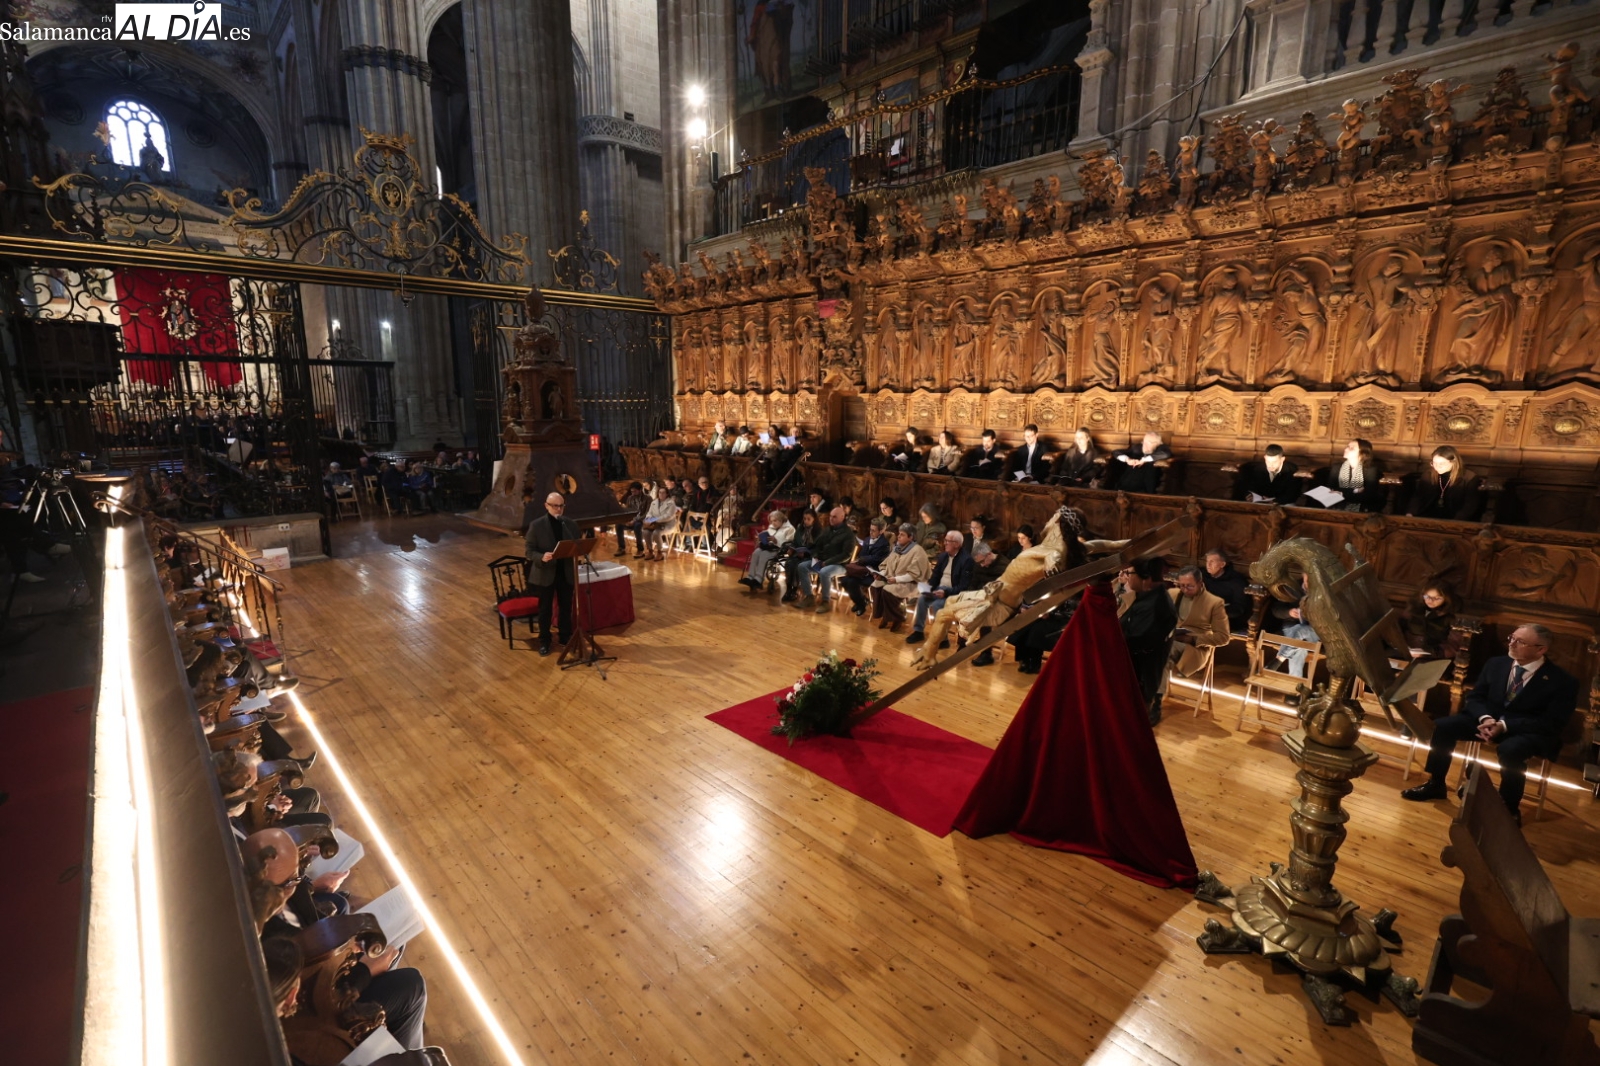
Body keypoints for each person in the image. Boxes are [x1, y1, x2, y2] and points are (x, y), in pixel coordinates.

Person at [1401, 624, 1578, 823]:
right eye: (1511, 638)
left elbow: (1551, 722)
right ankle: (1436, 784)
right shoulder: (1496, 663)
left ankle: (1509, 808)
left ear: (1541, 649)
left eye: (1520, 642)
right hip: (1488, 720)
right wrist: (1485, 718)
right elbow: (1476, 697)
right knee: (1443, 727)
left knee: (1511, 750)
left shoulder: (1563, 681)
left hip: (1526, 730)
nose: (1511, 644)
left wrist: (1504, 725)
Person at [912, 506, 1085, 670]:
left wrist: (1051, 566)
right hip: (993, 592)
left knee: (943, 614)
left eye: (1053, 517)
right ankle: (935, 650)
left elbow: (1054, 569)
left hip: (1000, 603)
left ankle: (930, 653)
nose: (1048, 521)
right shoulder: (1048, 547)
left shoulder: (1054, 552)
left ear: (1058, 522)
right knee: (949, 602)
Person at [1117, 557, 1178, 724]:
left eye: (1130, 573)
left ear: (1147, 578)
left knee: (1130, 725)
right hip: (1132, 674)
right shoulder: (1145, 596)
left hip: (1139, 679)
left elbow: (1134, 641)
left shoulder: (1155, 605)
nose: (1127, 577)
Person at [524, 492, 579, 656]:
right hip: (545, 573)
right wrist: (542, 557)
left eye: (561, 506)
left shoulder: (570, 524)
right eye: (555, 506)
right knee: (545, 610)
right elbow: (529, 551)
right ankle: (544, 641)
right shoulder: (536, 525)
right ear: (546, 506)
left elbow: (577, 544)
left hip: (565, 572)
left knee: (566, 607)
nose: (559, 509)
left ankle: (565, 637)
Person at [905, 530, 973, 644]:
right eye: (945, 540)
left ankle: (943, 639)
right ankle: (918, 632)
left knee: (937, 605)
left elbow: (963, 587)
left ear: (956, 544)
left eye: (948, 541)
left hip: (953, 594)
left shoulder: (966, 560)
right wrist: (928, 587)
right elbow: (936, 576)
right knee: (922, 599)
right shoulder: (943, 556)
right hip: (939, 589)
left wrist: (946, 592)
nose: (944, 543)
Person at [1166, 565, 1230, 686]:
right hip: (1170, 639)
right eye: (1182, 585)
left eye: (1190, 586)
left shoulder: (1214, 603)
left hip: (1194, 649)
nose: (1185, 590)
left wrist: (1193, 639)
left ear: (1200, 583)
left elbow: (1223, 637)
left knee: (1163, 650)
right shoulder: (1172, 594)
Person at [790, 505, 856, 612]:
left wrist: (827, 562)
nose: (831, 519)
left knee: (825, 572)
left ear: (842, 517)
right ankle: (809, 597)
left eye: (834, 517)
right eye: (830, 516)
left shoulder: (848, 534)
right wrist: (815, 556)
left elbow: (846, 555)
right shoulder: (827, 530)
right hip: (823, 561)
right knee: (802, 566)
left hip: (839, 564)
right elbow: (817, 545)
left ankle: (826, 601)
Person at [872, 523, 931, 631]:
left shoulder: (918, 551)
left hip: (912, 583)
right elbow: (886, 565)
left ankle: (898, 617)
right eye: (899, 534)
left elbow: (914, 575)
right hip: (893, 579)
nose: (898, 536)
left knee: (887, 590)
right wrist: (882, 575)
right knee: (876, 585)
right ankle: (886, 615)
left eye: (902, 534)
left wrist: (896, 579)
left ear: (911, 537)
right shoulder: (897, 548)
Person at [1308, 438, 1385, 512]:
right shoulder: (1337, 467)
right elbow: (1332, 489)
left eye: (1351, 448)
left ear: (1362, 453)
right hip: (1337, 504)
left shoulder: (1371, 470)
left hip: (1360, 506)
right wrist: (1355, 490)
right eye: (1347, 446)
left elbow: (1368, 495)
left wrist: (1342, 493)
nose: (1346, 449)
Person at [1408, 445, 1482, 521]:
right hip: (1427, 516)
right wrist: (1410, 513)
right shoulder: (1428, 475)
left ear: (1453, 462)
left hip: (1454, 518)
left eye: (1442, 464)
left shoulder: (1469, 478)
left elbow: (1470, 505)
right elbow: (1418, 497)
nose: (1437, 467)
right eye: (1434, 463)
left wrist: (1456, 521)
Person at [842, 516, 891, 615]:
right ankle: (861, 601)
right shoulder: (867, 539)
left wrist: (865, 559)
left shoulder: (885, 544)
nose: (871, 532)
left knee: (852, 582)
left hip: (874, 574)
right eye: (870, 530)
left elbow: (878, 560)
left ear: (881, 531)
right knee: (844, 581)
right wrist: (863, 559)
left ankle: (861, 605)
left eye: (873, 530)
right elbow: (862, 555)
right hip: (863, 570)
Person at [1404, 581, 1463, 660]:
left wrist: (1428, 653)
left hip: (1435, 656)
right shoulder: (1414, 608)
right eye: (1427, 596)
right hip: (1408, 651)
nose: (1430, 601)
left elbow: (1453, 646)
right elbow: (1400, 629)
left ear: (1446, 599)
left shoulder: (1452, 616)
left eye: (1437, 598)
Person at [740, 509, 794, 591]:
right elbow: (767, 536)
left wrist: (776, 541)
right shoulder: (772, 527)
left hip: (779, 549)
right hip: (768, 547)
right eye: (771, 521)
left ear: (781, 520)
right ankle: (750, 577)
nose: (773, 523)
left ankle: (758, 579)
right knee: (755, 553)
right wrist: (761, 538)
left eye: (775, 521)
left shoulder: (790, 529)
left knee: (764, 554)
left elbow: (789, 542)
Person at [1202, 549, 1251, 632]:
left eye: (1212, 562)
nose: (1208, 565)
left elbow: (1238, 609)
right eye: (1207, 561)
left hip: (1228, 620)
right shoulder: (1202, 575)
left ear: (1222, 564)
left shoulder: (1237, 582)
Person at [779, 510, 821, 601]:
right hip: (798, 555)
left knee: (798, 565)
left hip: (811, 557)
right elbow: (795, 542)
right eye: (804, 519)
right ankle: (789, 589)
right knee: (789, 563)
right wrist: (791, 549)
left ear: (814, 519)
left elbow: (819, 548)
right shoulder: (800, 529)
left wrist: (806, 553)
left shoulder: (819, 532)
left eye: (808, 519)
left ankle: (794, 590)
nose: (806, 521)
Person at [638, 486, 680, 560]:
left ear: (667, 494)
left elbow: (668, 516)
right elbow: (649, 513)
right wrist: (648, 519)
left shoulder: (671, 503)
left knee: (656, 533)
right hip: (655, 524)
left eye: (663, 493)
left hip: (667, 524)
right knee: (645, 532)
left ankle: (659, 552)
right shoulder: (654, 502)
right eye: (660, 492)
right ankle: (650, 551)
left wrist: (654, 520)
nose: (661, 494)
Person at [614, 481, 648, 554]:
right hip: (632, 519)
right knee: (618, 525)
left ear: (640, 490)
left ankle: (640, 549)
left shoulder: (647, 498)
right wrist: (627, 520)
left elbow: (646, 513)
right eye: (632, 491)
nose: (633, 493)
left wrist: (634, 520)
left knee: (637, 526)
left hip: (642, 520)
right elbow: (628, 511)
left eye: (635, 491)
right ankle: (621, 548)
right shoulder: (630, 498)